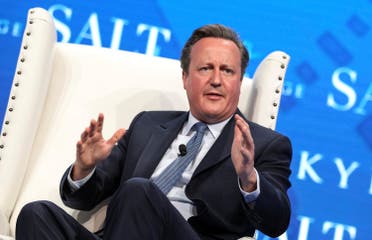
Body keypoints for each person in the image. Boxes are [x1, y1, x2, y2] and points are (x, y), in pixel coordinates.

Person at [16, 24, 292, 240]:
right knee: (37, 214)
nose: (216, 80)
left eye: (227, 71)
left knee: (139, 191)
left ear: (239, 81)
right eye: (206, 68)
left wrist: (248, 178)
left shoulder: (264, 144)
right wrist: (84, 169)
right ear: (185, 78)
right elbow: (84, 197)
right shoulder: (147, 126)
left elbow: (276, 222)